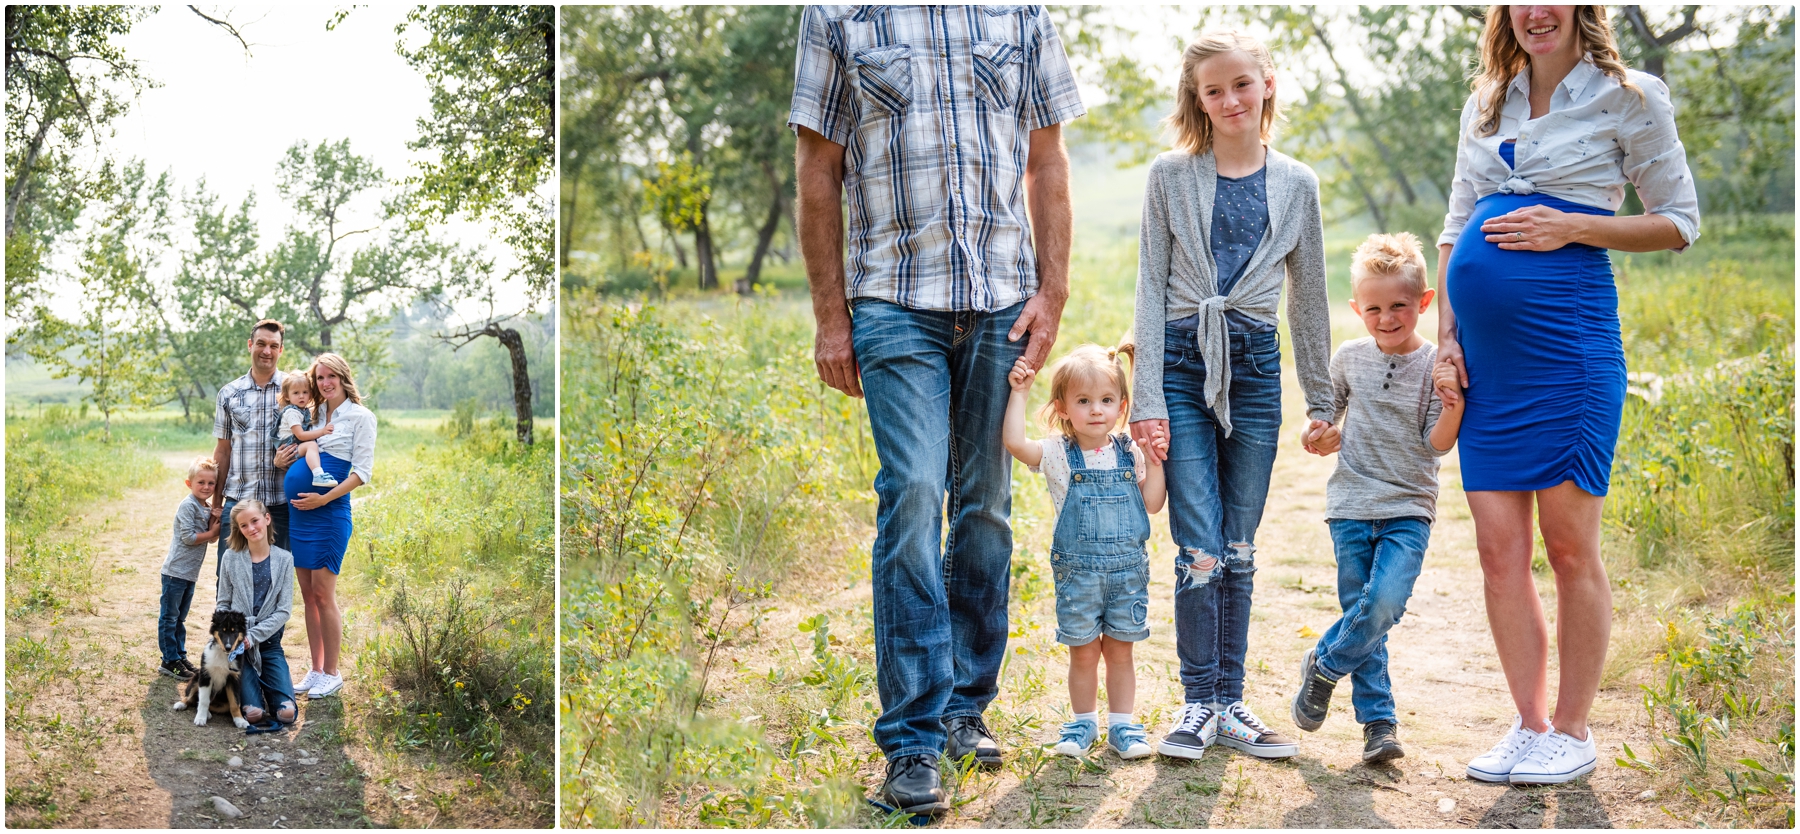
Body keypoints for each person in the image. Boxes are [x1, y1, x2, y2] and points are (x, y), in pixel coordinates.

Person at [789, 4, 1084, 815]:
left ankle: (964, 709)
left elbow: (1047, 159)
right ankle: (912, 740)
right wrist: (829, 314)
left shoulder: (1021, 13)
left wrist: (1053, 291)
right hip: (891, 298)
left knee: (985, 505)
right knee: (915, 495)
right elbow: (818, 168)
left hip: (1002, 300)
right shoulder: (839, 16)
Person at [1436, 5, 1699, 786]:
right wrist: (1447, 340)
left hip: (1568, 351)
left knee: (1570, 545)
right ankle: (1528, 724)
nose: (1536, 12)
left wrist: (1574, 228)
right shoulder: (1488, 98)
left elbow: (1679, 222)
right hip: (1484, 363)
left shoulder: (1632, 95)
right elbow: (1455, 228)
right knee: (1497, 551)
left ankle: (1575, 730)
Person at [1128, 29, 1333, 762]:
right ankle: (1196, 703)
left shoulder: (1297, 184)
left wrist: (1323, 400)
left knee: (1240, 548)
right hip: (1182, 365)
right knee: (1200, 547)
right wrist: (1144, 395)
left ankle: (1232, 702)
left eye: (1242, 84)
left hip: (1255, 369)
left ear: (1268, 84)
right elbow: (1150, 286)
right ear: (1198, 100)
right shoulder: (1170, 175)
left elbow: (1309, 298)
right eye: (1213, 90)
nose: (1230, 100)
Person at [1288, 233, 1465, 763]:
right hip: (1350, 506)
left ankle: (1322, 664)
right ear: (1356, 309)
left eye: (1399, 307)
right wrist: (1315, 432)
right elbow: (1323, 416)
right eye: (1374, 308)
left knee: (1384, 604)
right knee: (1362, 612)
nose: (1387, 318)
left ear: (1424, 302)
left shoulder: (1436, 365)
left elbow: (1437, 444)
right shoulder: (1348, 359)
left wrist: (1452, 403)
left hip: (1409, 505)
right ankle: (1379, 726)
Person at [1003, 345, 1167, 761]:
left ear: (1122, 406)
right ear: (1062, 409)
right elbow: (1015, 443)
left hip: (1127, 574)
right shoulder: (1058, 454)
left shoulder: (1128, 451)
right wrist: (1020, 392)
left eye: (1106, 401)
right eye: (1083, 401)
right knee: (1083, 652)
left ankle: (1123, 725)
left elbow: (1152, 503)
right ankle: (1083, 723)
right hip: (1079, 576)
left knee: (1120, 651)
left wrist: (1155, 460)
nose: (1097, 410)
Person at [285, 353, 376, 701]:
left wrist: (323, 499)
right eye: (319, 377)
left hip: (329, 512)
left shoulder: (361, 417)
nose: (325, 383)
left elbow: (361, 473)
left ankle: (333, 673)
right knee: (307, 596)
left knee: (324, 595)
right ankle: (317, 668)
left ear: (343, 377)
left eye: (330, 376)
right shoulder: (313, 415)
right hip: (301, 515)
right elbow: (302, 452)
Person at [212, 319, 302, 573]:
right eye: (261, 344)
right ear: (250, 345)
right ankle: (230, 616)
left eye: (274, 346)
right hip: (239, 501)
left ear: (281, 350)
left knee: (274, 580)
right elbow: (223, 450)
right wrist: (217, 504)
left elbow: (309, 441)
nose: (266, 351)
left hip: (281, 503)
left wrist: (291, 459)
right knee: (229, 577)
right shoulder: (229, 393)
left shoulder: (295, 392)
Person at [215, 499, 297, 728]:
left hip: (268, 642)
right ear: (238, 529)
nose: (251, 528)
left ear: (267, 519)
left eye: (255, 521)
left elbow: (283, 611)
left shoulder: (285, 559)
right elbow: (223, 603)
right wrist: (230, 638)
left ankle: (278, 695)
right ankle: (253, 697)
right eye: (243, 525)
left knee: (286, 714)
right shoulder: (230, 557)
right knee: (253, 714)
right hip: (237, 646)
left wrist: (253, 638)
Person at [158, 457, 223, 681]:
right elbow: (189, 538)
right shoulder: (188, 505)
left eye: (211, 484)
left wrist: (215, 523)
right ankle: (169, 660)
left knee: (180, 619)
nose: (206, 487)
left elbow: (210, 540)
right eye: (201, 482)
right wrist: (213, 531)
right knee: (169, 618)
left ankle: (179, 655)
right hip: (175, 572)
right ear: (189, 483)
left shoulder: (205, 507)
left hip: (189, 574)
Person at [275, 372, 338, 488]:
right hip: (289, 448)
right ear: (287, 396)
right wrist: (322, 431)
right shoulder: (291, 412)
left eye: (305, 392)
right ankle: (318, 475)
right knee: (311, 446)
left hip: (294, 446)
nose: (301, 396)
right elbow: (301, 435)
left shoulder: (303, 410)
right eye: (296, 393)